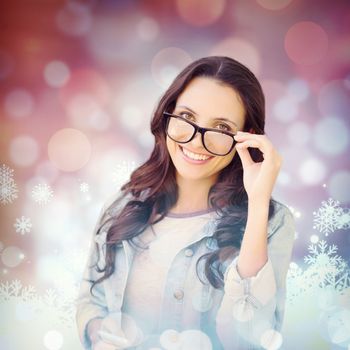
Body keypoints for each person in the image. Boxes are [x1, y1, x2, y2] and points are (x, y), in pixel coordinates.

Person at [75, 56, 295, 350]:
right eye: (188, 118)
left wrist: (257, 202)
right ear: (168, 115)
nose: (195, 141)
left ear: (247, 138)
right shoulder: (123, 205)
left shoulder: (271, 221)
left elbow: (250, 339)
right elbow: (91, 300)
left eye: (221, 128)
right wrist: (98, 332)